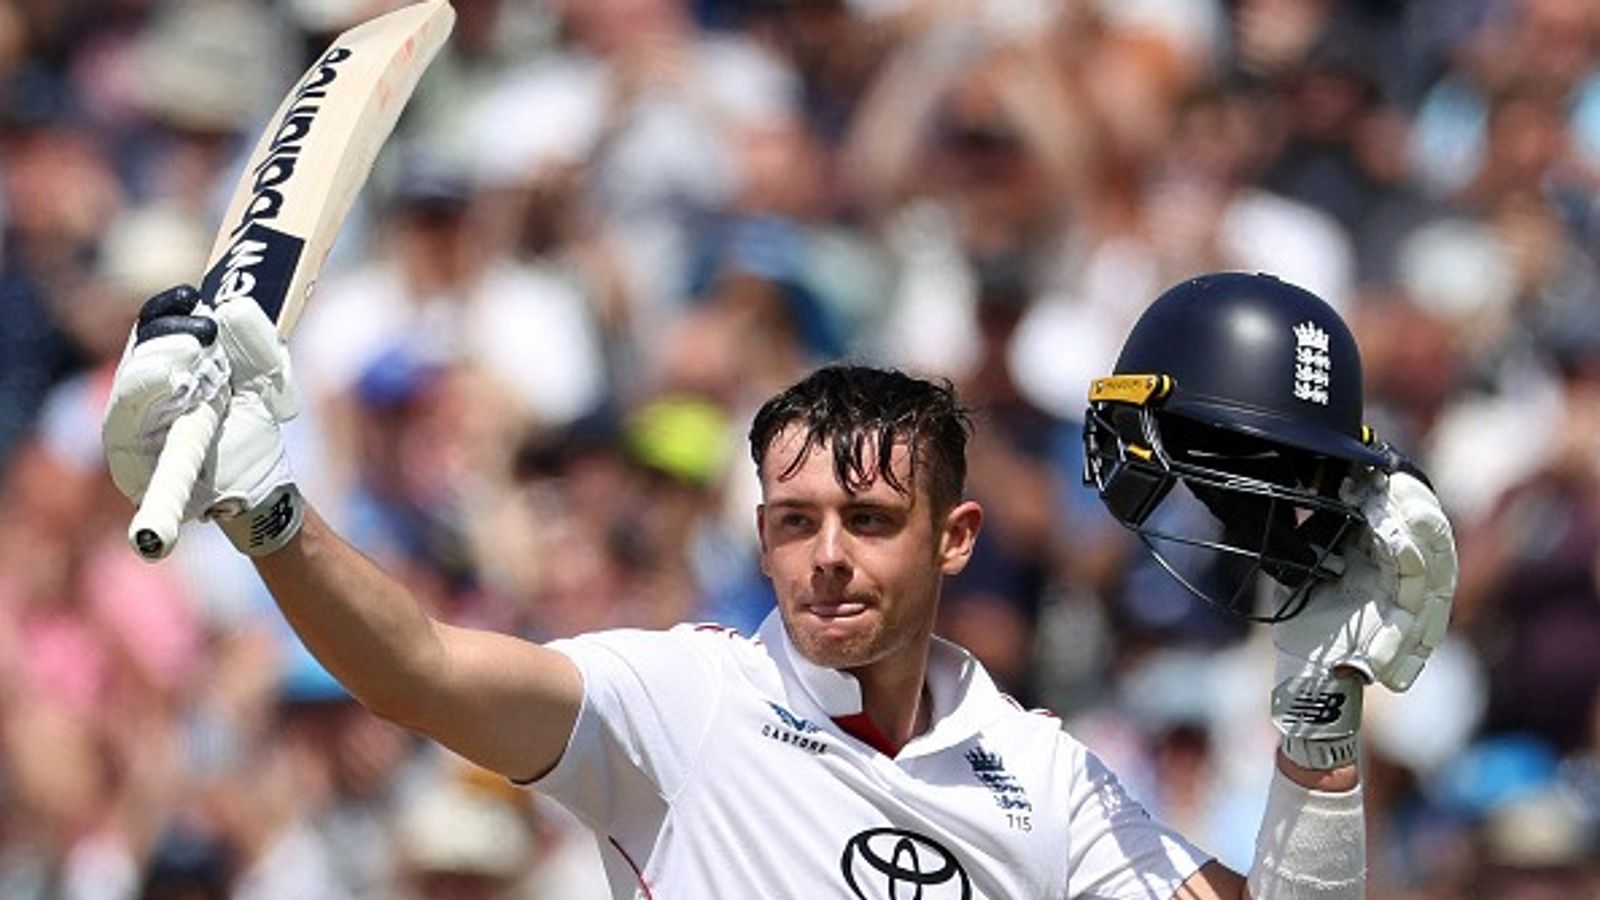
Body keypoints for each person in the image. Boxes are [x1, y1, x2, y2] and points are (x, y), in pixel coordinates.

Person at [101, 270, 1457, 898]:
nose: (826, 555)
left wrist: (1319, 725)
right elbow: (423, 669)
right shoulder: (679, 702)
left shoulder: (1046, 781)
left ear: (957, 539)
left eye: (870, 520)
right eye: (794, 519)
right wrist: (267, 508)